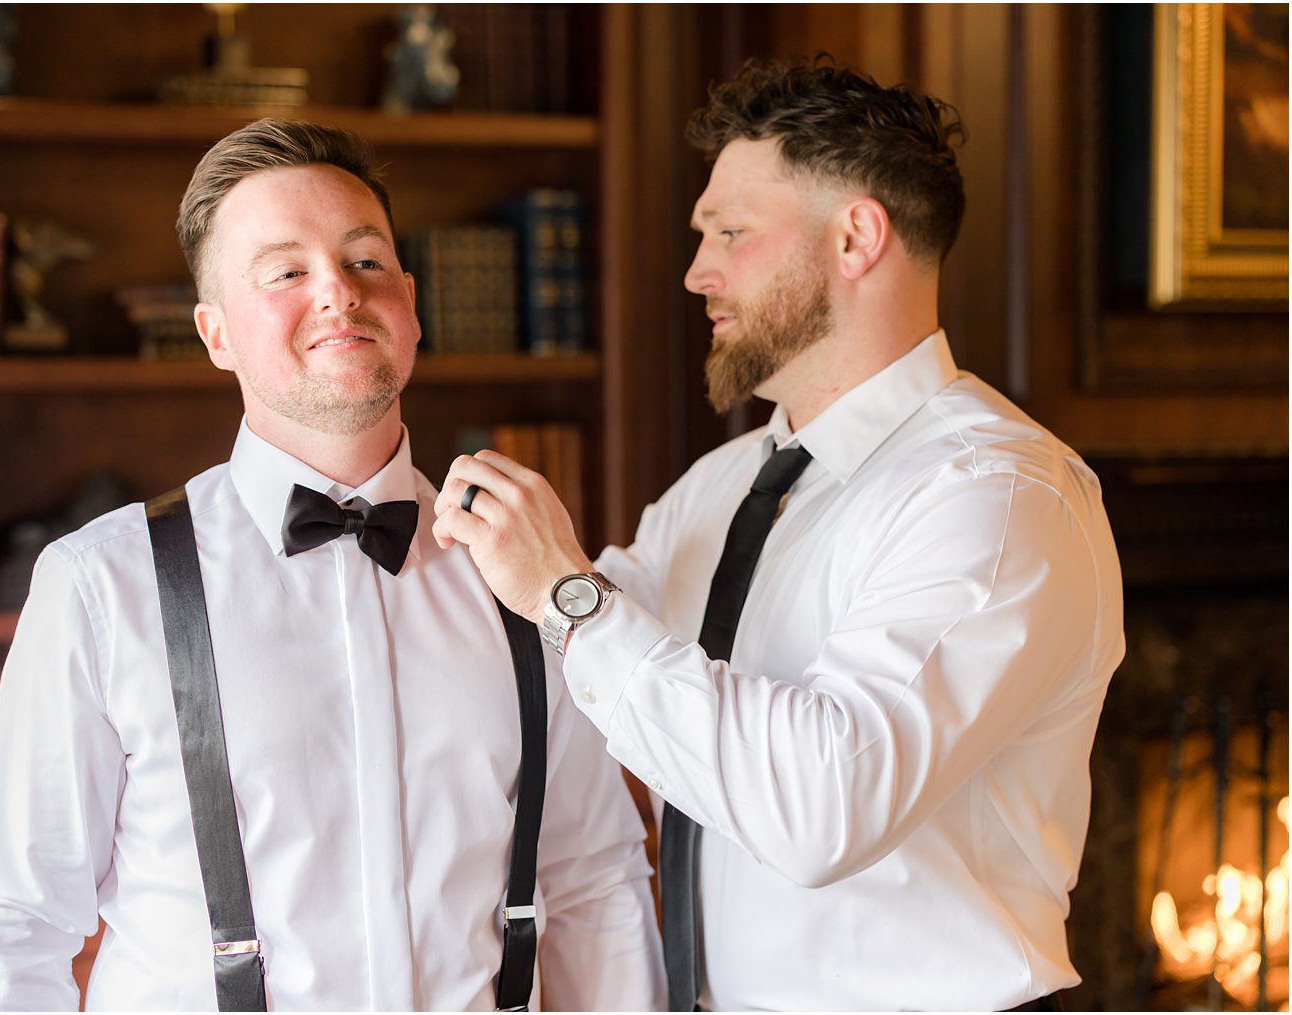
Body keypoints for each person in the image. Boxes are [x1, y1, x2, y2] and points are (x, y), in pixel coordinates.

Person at [432, 58, 1124, 1011]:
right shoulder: (719, 487)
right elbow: (563, 668)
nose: (695, 271)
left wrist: (570, 595)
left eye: (729, 233)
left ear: (856, 236)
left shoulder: (1000, 496)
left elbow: (823, 807)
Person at [0, 118, 664, 1011]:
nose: (338, 294)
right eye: (284, 271)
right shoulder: (100, 583)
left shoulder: (524, 568)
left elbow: (595, 883)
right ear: (216, 334)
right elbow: (15, 927)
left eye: (366, 261)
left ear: (411, 304)